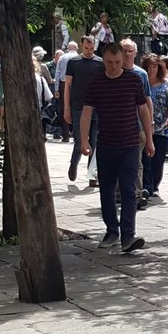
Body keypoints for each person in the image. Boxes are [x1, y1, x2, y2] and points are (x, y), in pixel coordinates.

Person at [80, 42, 154, 252]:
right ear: (103, 61)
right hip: (106, 144)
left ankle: (128, 235)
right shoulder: (96, 83)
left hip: (130, 143)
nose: (113, 66)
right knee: (107, 190)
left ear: (124, 60)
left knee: (129, 190)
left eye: (117, 62)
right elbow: (87, 112)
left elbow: (143, 111)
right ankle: (112, 230)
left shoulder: (133, 80)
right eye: (109, 62)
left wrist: (149, 139)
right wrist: (84, 140)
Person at [63, 35, 102, 183]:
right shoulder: (74, 62)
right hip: (79, 106)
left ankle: (92, 174)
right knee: (80, 140)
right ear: (81, 45)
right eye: (86, 48)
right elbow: (68, 86)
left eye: (91, 48)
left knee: (94, 141)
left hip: (96, 107)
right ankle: (74, 163)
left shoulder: (100, 63)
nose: (89, 51)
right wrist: (66, 107)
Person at [121, 38, 154, 210]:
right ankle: (120, 192)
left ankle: (136, 194)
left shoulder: (141, 74)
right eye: (124, 51)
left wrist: (150, 123)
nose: (127, 54)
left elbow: (147, 101)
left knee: (136, 161)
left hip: (137, 126)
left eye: (130, 51)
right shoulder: (113, 72)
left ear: (135, 53)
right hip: (117, 125)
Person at [140, 54, 168, 197]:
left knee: (158, 159)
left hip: (162, 128)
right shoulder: (141, 82)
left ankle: (154, 185)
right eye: (148, 67)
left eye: (154, 66)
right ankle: (146, 186)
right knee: (145, 158)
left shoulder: (166, 84)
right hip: (144, 126)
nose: (151, 70)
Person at [53, 41, 79, 141]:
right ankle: (76, 134)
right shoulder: (79, 57)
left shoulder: (62, 58)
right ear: (76, 48)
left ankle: (65, 135)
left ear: (68, 48)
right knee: (77, 108)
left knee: (64, 108)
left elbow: (57, 73)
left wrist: (56, 89)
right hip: (76, 84)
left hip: (63, 84)